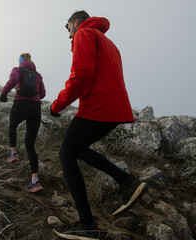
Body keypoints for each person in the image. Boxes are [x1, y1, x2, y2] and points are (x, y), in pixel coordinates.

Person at [50, 11, 148, 240]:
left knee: (66, 154)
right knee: (77, 149)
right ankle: (127, 181)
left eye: (68, 29)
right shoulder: (108, 42)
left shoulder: (84, 34)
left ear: (76, 22)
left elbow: (81, 74)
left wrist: (56, 105)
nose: (68, 35)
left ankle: (87, 224)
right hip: (116, 109)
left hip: (98, 106)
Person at [0, 53, 46, 193]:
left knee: (12, 125)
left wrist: (3, 94)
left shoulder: (17, 69)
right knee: (30, 144)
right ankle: (35, 181)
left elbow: (13, 80)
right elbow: (42, 93)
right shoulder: (38, 75)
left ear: (21, 61)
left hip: (20, 103)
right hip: (35, 108)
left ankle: (13, 153)